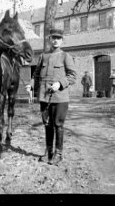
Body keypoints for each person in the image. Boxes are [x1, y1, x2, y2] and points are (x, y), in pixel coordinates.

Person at [33, 28, 76, 166]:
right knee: (47, 125)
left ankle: (58, 154)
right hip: (44, 97)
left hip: (60, 98)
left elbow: (73, 76)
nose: (56, 40)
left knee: (58, 125)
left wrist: (60, 83)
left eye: (59, 38)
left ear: (62, 40)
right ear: (50, 39)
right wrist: (31, 85)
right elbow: (37, 75)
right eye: (53, 38)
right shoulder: (43, 56)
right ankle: (48, 151)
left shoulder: (65, 56)